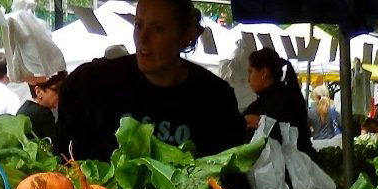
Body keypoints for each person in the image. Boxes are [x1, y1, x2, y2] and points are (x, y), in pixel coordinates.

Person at [54, 0, 247, 161]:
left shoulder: (215, 100)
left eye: (158, 29)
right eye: (139, 25)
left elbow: (224, 173)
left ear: (186, 36)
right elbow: (63, 160)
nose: (143, 39)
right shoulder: (90, 84)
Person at [243, 47, 313, 155]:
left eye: (250, 71)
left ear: (263, 73)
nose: (248, 79)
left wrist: (262, 124)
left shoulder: (286, 101)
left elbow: (296, 137)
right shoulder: (262, 102)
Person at [19, 69, 65, 144]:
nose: (61, 95)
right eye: (57, 90)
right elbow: (56, 145)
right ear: (38, 92)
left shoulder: (25, 108)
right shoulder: (42, 114)